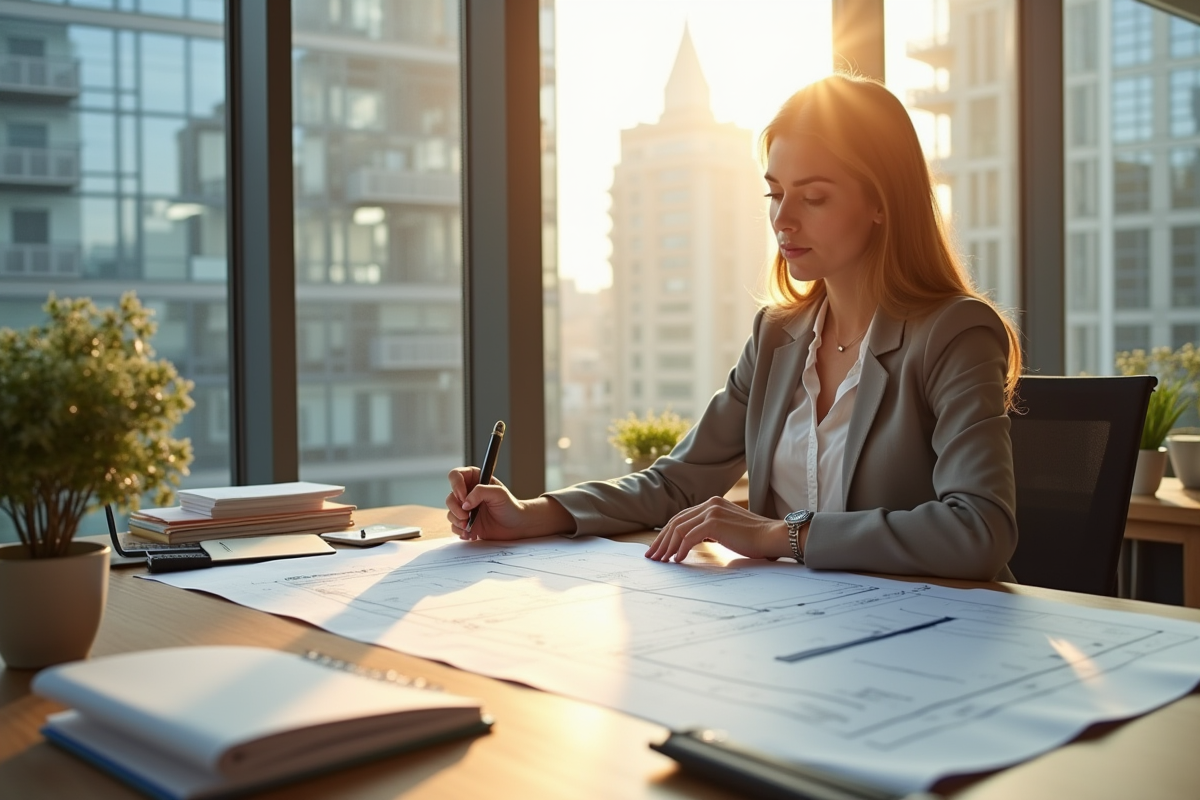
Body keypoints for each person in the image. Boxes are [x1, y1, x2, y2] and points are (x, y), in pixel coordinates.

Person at [446, 73, 1023, 582]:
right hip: (791, 623)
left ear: (882, 203)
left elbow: (978, 528)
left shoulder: (954, 332)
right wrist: (530, 512)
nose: (783, 219)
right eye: (775, 194)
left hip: (927, 636)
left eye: (814, 197)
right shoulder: (778, 336)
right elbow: (678, 483)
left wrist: (781, 535)